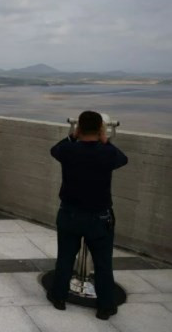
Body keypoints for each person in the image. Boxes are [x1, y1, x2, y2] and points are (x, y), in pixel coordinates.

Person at [48, 110, 128, 320]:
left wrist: (72, 136)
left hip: (70, 214)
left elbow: (54, 150)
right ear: (101, 129)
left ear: (79, 128)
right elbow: (123, 159)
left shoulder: (68, 150)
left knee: (65, 258)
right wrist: (105, 140)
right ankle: (105, 307)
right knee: (103, 263)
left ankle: (58, 297)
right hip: (99, 218)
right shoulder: (107, 153)